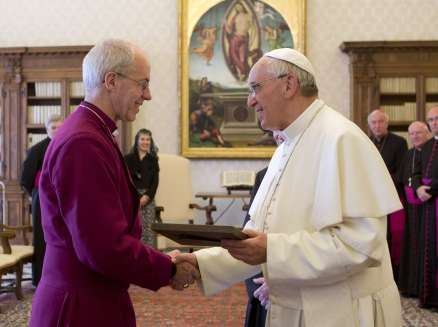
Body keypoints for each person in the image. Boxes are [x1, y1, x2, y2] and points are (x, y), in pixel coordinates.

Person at [173, 48, 403, 327]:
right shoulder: (285, 147)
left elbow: (360, 245)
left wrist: (271, 250)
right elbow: (257, 239)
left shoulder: (341, 138)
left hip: (339, 312)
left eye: (255, 88)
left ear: (289, 85)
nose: (249, 101)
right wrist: (200, 264)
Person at [29, 39, 199, 327]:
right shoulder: (82, 141)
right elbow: (102, 247)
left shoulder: (93, 130)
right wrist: (167, 270)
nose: (148, 95)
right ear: (111, 81)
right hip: (79, 306)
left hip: (93, 297)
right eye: (143, 84)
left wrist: (161, 261)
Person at [243, 131, 283, 327]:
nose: (280, 136)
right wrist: (259, 287)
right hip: (261, 287)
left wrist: (281, 283)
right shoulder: (263, 176)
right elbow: (248, 235)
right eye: (276, 132)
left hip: (299, 292)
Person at [21, 114, 63, 287]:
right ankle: (39, 279)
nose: (56, 130)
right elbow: (26, 177)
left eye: (59, 127)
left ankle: (61, 276)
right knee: (41, 236)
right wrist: (36, 193)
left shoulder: (66, 145)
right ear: (47, 129)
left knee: (62, 235)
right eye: (53, 127)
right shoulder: (37, 149)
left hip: (62, 196)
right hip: (42, 197)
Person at [368, 109, 408, 280]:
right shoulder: (366, 141)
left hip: (392, 195)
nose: (377, 126)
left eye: (381, 122)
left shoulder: (399, 142)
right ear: (370, 125)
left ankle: (394, 275)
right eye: (374, 122)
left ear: (387, 123)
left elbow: (401, 171)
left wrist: (386, 190)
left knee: (391, 235)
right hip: (370, 196)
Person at [397, 121, 430, 298]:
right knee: (411, 245)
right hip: (411, 210)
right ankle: (411, 287)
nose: (415, 136)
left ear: (428, 133)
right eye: (412, 134)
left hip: (429, 208)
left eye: (418, 133)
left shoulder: (432, 152)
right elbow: (402, 180)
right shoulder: (409, 154)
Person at [411, 106, 438, 312]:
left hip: (434, 197)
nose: (434, 122)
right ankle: (429, 298)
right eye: (431, 119)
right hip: (428, 205)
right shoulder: (427, 145)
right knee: (428, 248)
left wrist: (430, 189)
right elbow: (417, 170)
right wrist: (418, 187)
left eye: (437, 118)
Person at [124, 129, 159, 249]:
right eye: (142, 139)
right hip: (132, 198)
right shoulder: (127, 159)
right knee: (133, 231)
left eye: (148, 139)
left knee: (149, 232)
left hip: (149, 200)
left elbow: (155, 182)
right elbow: (126, 181)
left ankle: (151, 260)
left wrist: (146, 197)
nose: (145, 142)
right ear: (137, 141)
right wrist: (137, 198)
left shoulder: (154, 160)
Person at [222, 2, 256, 82]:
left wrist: (251, 40)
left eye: (239, 6)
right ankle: (240, 76)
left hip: (243, 39)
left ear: (243, 6)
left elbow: (254, 30)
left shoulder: (248, 16)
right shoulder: (235, 17)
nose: (238, 8)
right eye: (237, 7)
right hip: (234, 39)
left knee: (242, 59)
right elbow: (230, 31)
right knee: (235, 58)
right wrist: (226, 24)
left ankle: (248, 74)